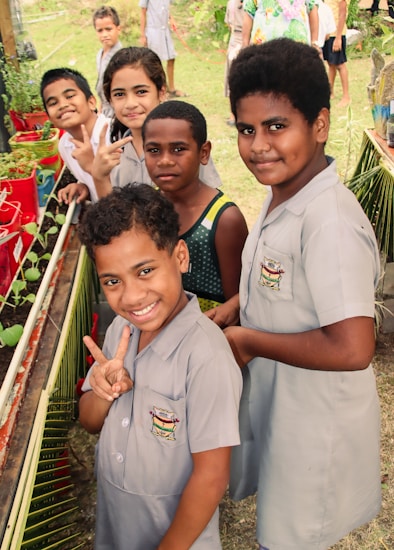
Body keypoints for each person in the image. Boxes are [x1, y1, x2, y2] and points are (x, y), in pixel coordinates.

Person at [209, 38, 382, 549]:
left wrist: (248, 341)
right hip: (286, 406)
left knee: (293, 535)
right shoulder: (285, 193)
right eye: (246, 129)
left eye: (276, 127)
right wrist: (241, 304)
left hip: (316, 422)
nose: (259, 145)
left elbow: (354, 348)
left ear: (320, 125)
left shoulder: (327, 221)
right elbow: (289, 281)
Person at [77, 183, 242, 549]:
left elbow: (212, 477)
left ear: (180, 257)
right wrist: (103, 391)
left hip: (176, 537)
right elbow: (89, 421)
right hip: (118, 523)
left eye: (146, 270)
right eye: (113, 281)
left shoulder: (206, 355)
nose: (132, 296)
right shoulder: (121, 331)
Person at [142, 100, 249, 311]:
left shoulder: (223, 220)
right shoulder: (145, 210)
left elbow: (238, 305)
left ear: (204, 152)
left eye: (178, 149)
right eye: (154, 150)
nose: (164, 160)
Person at [91, 46, 222, 199]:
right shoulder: (116, 155)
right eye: (119, 94)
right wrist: (99, 177)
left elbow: (209, 201)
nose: (130, 103)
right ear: (110, 100)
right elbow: (114, 217)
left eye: (141, 92)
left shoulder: (184, 143)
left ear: (161, 92)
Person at [40, 67, 110, 204]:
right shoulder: (65, 145)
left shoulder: (114, 135)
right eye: (53, 103)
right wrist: (84, 187)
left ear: (91, 102)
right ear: (48, 117)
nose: (62, 105)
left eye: (70, 96)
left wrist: (92, 167)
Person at [139, 0, 186, 98]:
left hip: (165, 30)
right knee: (155, 62)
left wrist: (171, 19)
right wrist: (142, 35)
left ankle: (172, 89)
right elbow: (143, 13)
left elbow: (166, 10)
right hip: (153, 31)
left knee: (171, 58)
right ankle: (160, 90)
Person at [242, 0, 319, 49]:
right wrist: (245, 44)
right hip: (264, 48)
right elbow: (248, 12)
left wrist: (314, 42)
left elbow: (312, 8)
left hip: (298, 48)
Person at [93, 5, 123, 117]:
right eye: (100, 31)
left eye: (108, 29)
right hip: (105, 109)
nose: (104, 34)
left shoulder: (120, 56)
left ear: (118, 29)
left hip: (117, 110)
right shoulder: (100, 54)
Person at [322, 0, 351, 106]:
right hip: (329, 33)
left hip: (337, 34)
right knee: (331, 63)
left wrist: (338, 38)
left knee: (340, 64)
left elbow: (342, 14)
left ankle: (346, 96)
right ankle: (330, 92)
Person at [224, 0, 244, 126]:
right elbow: (228, 23)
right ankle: (233, 114)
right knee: (232, 77)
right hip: (235, 39)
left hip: (242, 38)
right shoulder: (231, 2)